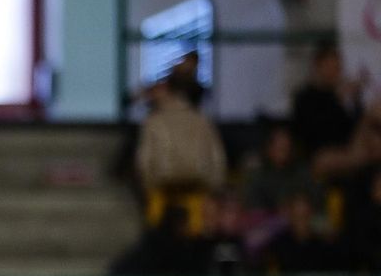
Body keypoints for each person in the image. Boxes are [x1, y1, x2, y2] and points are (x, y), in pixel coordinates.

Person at [136, 76, 226, 206]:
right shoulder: (201, 119)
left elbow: (144, 159)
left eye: (156, 89)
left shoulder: (153, 121)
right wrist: (215, 183)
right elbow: (217, 155)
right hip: (199, 179)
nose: (152, 94)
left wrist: (147, 184)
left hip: (163, 180)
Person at [292, 42, 364, 160]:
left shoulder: (339, 97)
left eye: (338, 68)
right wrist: (337, 100)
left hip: (347, 151)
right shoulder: (305, 98)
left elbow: (353, 128)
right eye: (332, 68)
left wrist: (355, 100)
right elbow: (316, 132)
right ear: (318, 66)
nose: (336, 73)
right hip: (321, 156)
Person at [240, 122, 322, 213]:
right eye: (279, 147)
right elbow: (252, 209)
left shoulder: (303, 173)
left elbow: (317, 202)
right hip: (266, 224)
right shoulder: (256, 175)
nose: (283, 150)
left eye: (286, 147)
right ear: (269, 147)